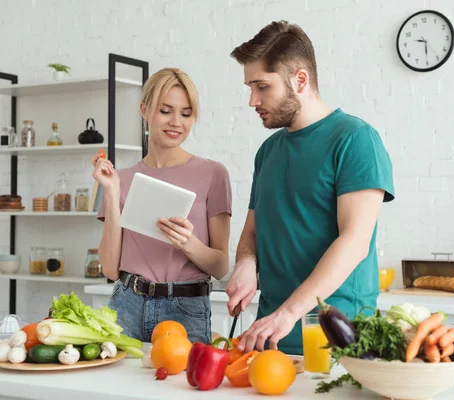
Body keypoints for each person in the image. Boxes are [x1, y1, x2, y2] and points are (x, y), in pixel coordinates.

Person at [225, 21, 395, 355]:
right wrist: (246, 265)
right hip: (271, 340)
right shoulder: (268, 152)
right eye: (249, 88)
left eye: (262, 87)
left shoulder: (355, 140)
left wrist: (288, 312)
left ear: (300, 80)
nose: (252, 100)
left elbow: (355, 242)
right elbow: (253, 233)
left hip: (341, 343)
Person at [92, 68, 232, 344]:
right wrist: (111, 192)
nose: (176, 122)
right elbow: (110, 268)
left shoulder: (213, 174)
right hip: (126, 306)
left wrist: (188, 243)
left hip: (185, 309)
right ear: (145, 110)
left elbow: (220, 266)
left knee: (182, 387)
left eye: (186, 113)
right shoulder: (120, 179)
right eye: (165, 111)